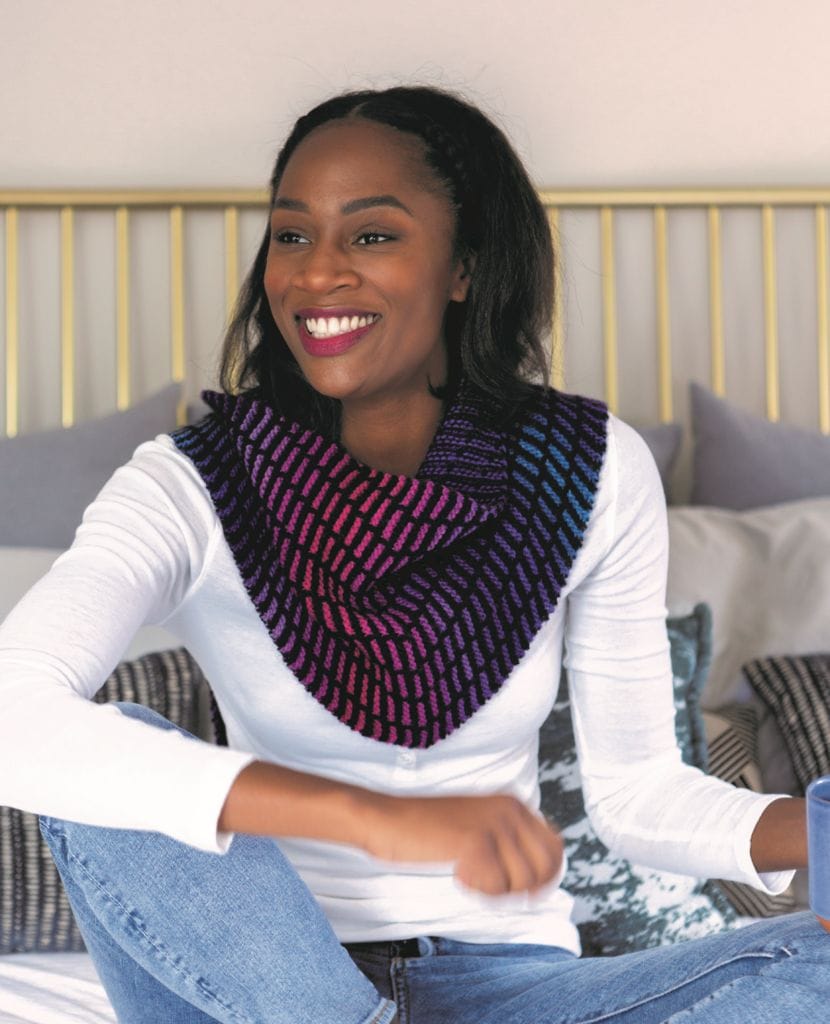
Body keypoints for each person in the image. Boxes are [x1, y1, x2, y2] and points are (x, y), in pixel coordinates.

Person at [0, 85, 825, 1024]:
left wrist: (818, 832)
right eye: (291, 235)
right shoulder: (192, 485)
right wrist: (371, 817)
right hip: (266, 985)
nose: (315, 275)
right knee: (119, 765)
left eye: (372, 235)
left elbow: (638, 797)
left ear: (465, 265)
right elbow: (11, 712)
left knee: (810, 969)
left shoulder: (589, 471)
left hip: (517, 985)